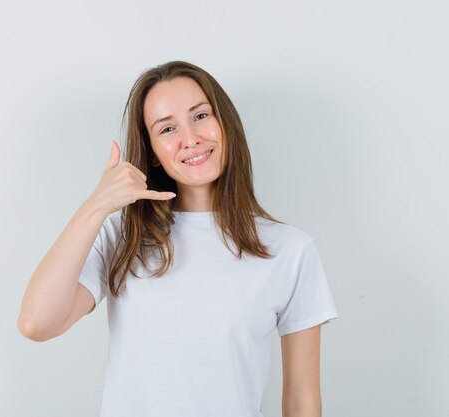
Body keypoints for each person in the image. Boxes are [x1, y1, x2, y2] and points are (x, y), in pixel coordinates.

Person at [17, 60, 339, 417]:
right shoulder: (124, 236)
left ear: (224, 122)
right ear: (152, 153)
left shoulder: (290, 250)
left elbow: (301, 402)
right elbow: (37, 323)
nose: (191, 138)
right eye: (167, 128)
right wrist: (97, 205)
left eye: (200, 116)